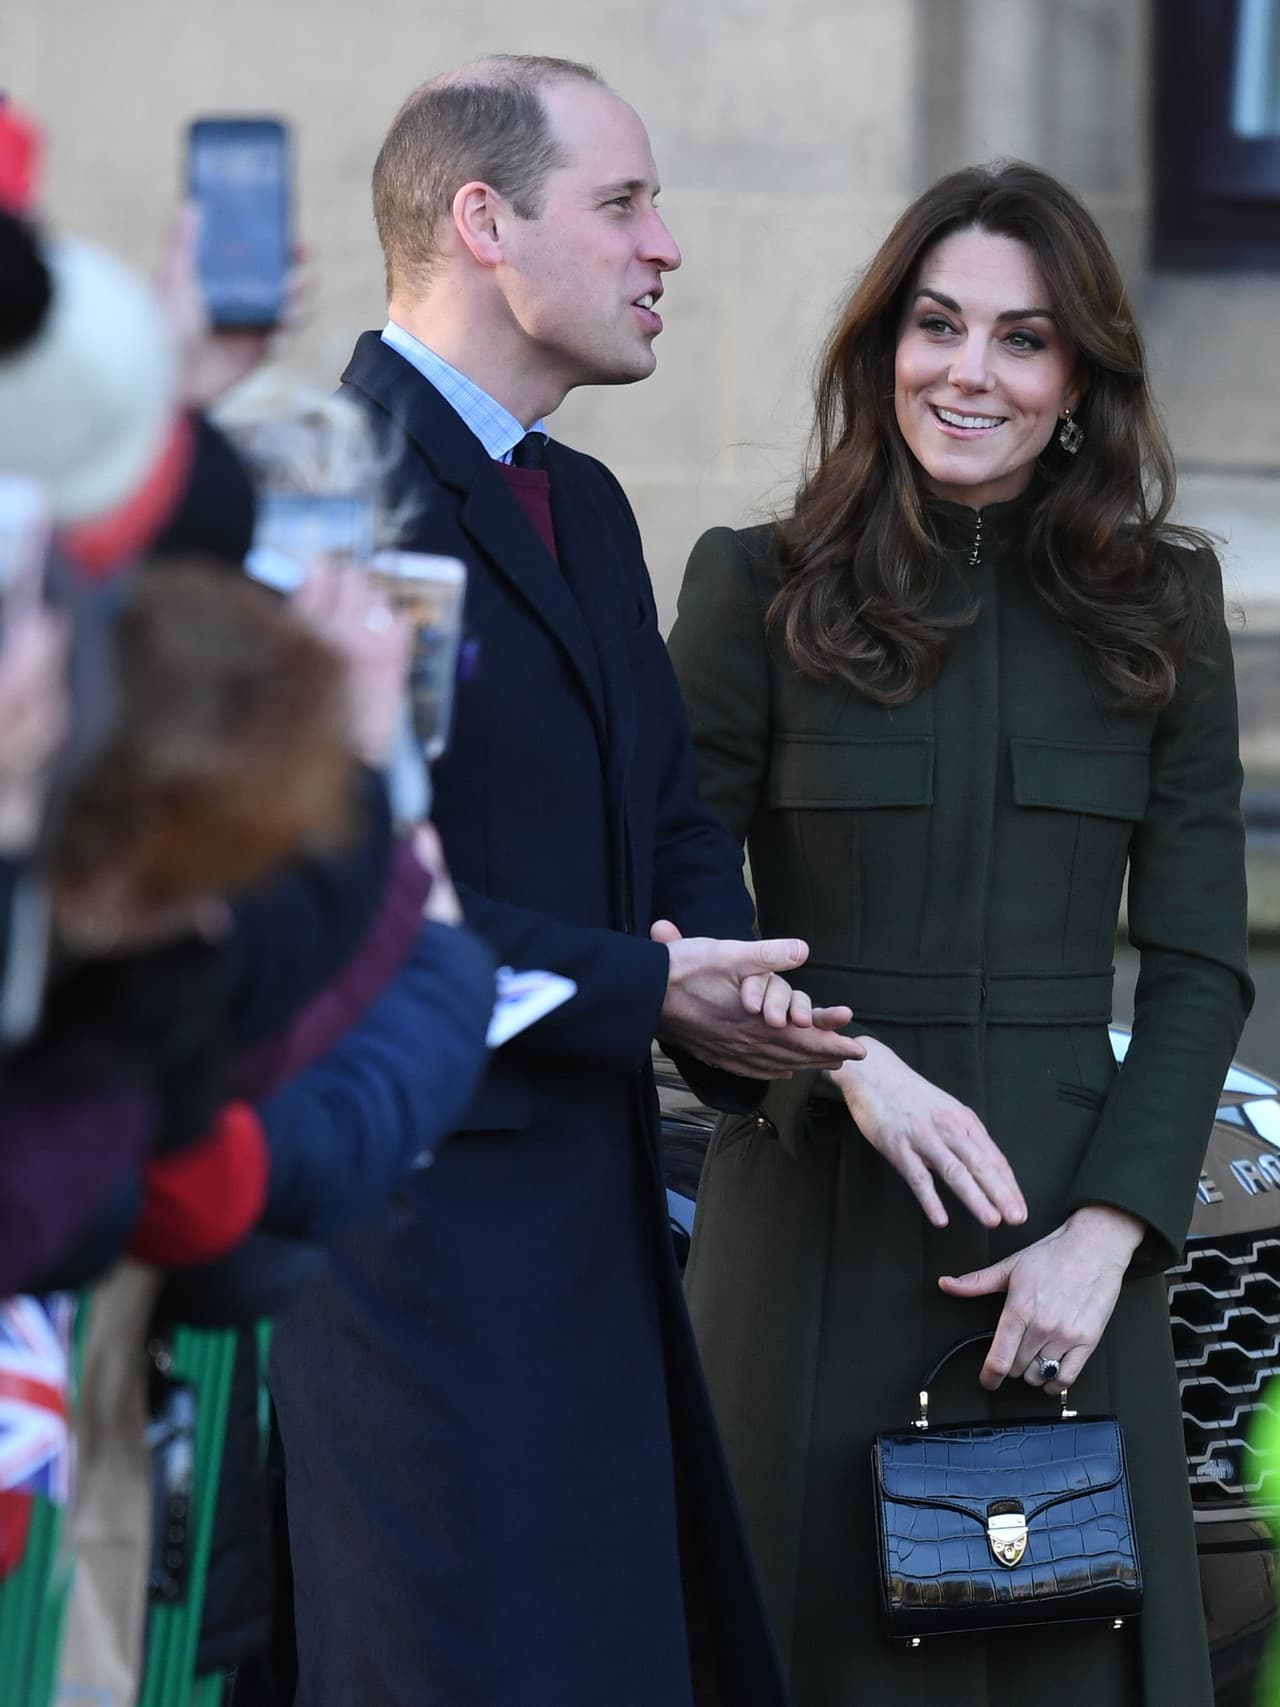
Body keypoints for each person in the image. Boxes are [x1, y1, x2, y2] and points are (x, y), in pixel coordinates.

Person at [267, 52, 863, 1707]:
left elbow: (671, 820)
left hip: (604, 1245)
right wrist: (636, 992)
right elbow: (345, 895)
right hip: (421, 1263)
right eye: (623, 203)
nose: (666, 245)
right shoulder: (329, 492)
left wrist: (733, 984)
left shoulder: (587, 504)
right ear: (481, 221)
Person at [667, 161, 1253, 1707]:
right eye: (936, 327)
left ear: (1079, 384)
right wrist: (830, 1068)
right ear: (883, 349)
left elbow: (1198, 963)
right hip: (810, 1228)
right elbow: (673, 933)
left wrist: (1113, 1234)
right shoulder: (755, 589)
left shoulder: (1169, 610)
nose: (967, 372)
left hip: (1066, 1252)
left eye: (1020, 338)